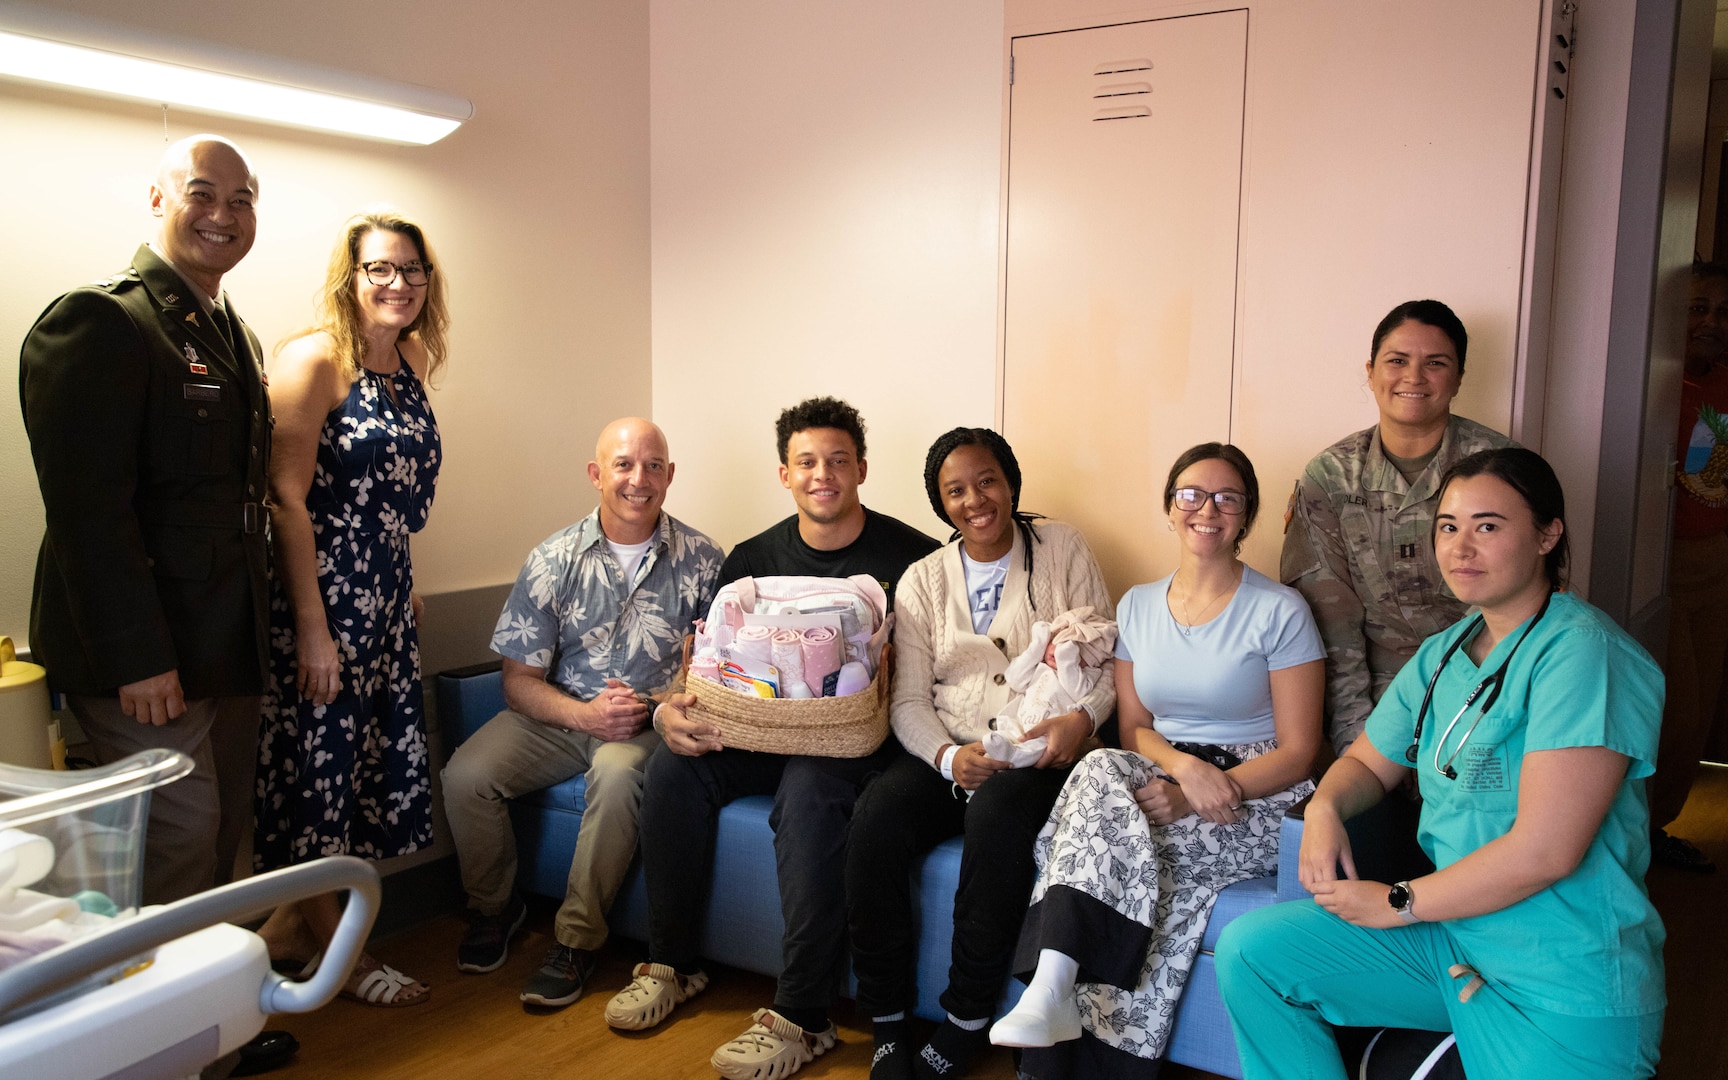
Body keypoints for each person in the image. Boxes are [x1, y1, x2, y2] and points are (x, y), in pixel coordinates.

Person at [1217, 447, 1667, 1080]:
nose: (1460, 547)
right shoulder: (1443, 653)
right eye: (1448, 527)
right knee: (1255, 952)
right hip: (1458, 941)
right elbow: (1368, 765)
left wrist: (1398, 901)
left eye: (1488, 526)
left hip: (1562, 972)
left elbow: (1546, 851)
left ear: (1547, 535)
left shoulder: (1585, 657)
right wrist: (1324, 809)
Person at [604, 397, 938, 1080]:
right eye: (807, 462)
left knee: (810, 793)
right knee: (672, 768)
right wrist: (671, 710)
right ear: (784, 474)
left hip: (853, 745)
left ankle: (802, 1016)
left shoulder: (916, 559)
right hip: (756, 730)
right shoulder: (752, 559)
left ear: (862, 470)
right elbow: (708, 660)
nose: (823, 475)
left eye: (838, 462)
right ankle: (672, 965)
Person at [987, 443, 1324, 1080]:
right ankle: (1053, 992)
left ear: (1245, 516)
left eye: (1227, 497)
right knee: (1098, 772)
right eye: (1191, 494)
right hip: (1164, 767)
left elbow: (1301, 750)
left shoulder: (1280, 610)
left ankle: (1051, 995)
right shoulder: (1139, 605)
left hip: (1256, 791)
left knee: (1097, 847)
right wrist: (1181, 772)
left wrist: (1206, 785)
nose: (1208, 509)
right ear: (1169, 509)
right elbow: (1136, 728)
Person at [19, 134, 270, 907]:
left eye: (241, 199)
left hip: (222, 643)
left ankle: (210, 1017)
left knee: (225, 827)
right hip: (147, 655)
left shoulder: (232, 333)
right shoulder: (101, 320)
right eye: (202, 193)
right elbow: (87, 513)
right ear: (158, 200)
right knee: (178, 835)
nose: (222, 214)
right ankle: (160, 1025)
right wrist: (136, 657)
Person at [844, 427, 1119, 1080]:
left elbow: (1106, 658)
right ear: (941, 504)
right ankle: (886, 1018)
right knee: (876, 818)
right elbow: (907, 700)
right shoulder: (921, 580)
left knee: (994, 819)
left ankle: (966, 1018)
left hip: (1042, 753)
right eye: (956, 491)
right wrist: (945, 757)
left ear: (1011, 481)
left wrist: (1076, 725)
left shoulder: (1063, 548)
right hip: (951, 748)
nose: (975, 500)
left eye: (987, 481)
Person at [440, 417, 723, 1008]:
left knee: (618, 776)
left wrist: (656, 707)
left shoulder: (704, 560)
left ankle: (576, 940)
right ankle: (495, 907)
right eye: (623, 465)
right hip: (562, 712)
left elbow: (712, 667)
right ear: (597, 475)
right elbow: (518, 680)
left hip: (651, 723)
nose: (637, 479)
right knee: (465, 776)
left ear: (669, 476)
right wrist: (584, 716)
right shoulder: (553, 557)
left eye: (652, 466)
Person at [251, 210, 450, 1006]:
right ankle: (338, 952)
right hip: (322, 600)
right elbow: (285, 500)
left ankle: (289, 933)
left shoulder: (409, 361)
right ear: (352, 276)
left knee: (364, 774)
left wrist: (403, 586)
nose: (398, 284)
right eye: (381, 270)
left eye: (412, 270)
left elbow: (392, 496)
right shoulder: (314, 362)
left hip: (384, 599)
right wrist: (313, 628)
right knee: (316, 778)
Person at [1283, 300, 1514, 755]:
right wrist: (1359, 739)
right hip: (1368, 696)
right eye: (1397, 361)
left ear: (1459, 376)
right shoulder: (1330, 476)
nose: (1414, 377)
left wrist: (1461, 708)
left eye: (1435, 363)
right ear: (1371, 372)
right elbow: (1331, 623)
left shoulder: (1504, 469)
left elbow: (1523, 601)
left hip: (1485, 688)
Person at [1650, 261, 1728, 872]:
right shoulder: (1656, 385)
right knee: (1673, 711)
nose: (1711, 322)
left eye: (1723, 313)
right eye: (1699, 308)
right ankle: (1636, 834)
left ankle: (1655, 832)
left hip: (1716, 562)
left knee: (1699, 716)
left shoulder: (1725, 384)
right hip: (1662, 563)